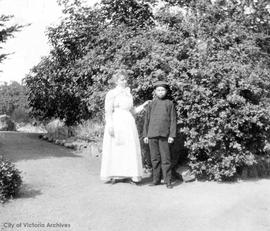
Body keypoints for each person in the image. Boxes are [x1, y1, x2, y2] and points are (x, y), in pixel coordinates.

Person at [100, 70, 149, 185]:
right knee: (116, 147)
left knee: (129, 147)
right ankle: (115, 174)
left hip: (128, 122)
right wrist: (110, 125)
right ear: (116, 81)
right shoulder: (111, 93)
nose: (124, 81)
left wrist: (142, 106)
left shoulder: (128, 93)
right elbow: (108, 111)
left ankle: (130, 175)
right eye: (122, 79)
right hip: (117, 121)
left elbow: (132, 111)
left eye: (125, 79)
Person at [143, 81, 177, 189]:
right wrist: (145, 135)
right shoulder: (151, 104)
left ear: (166, 91)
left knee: (166, 159)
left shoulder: (169, 104)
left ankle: (168, 181)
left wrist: (172, 135)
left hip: (164, 135)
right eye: (158, 90)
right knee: (154, 158)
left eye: (163, 90)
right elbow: (146, 120)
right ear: (155, 91)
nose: (161, 92)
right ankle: (156, 179)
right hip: (152, 135)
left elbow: (173, 120)